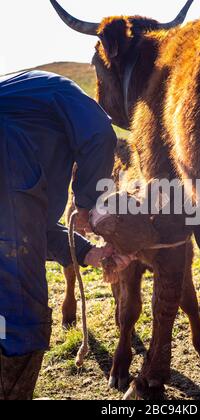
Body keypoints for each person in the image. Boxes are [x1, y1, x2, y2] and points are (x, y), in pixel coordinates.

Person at [0, 70, 130, 400]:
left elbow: (36, 229)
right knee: (20, 315)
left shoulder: (30, 111)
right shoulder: (61, 92)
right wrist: (87, 204)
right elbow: (101, 134)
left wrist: (88, 253)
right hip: (10, 160)